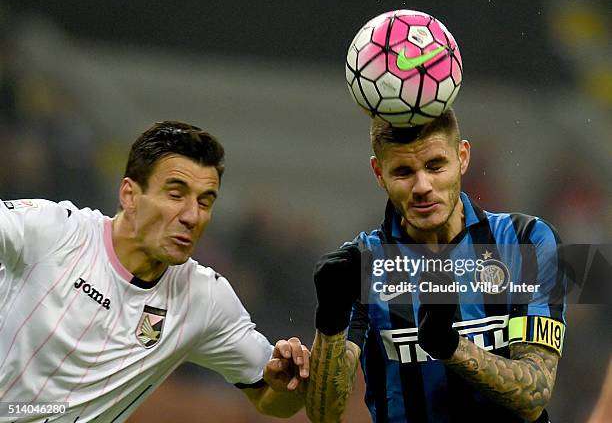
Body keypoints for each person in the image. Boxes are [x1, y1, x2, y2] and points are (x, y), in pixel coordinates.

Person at [0, 121, 309, 422]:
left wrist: (288, 382)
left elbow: (273, 402)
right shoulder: (54, 231)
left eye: (205, 202)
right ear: (129, 195)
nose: (192, 216)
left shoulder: (204, 298)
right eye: (176, 194)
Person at [306, 109, 566, 422]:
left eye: (435, 166)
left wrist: (449, 346)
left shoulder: (527, 241)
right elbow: (324, 412)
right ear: (379, 173)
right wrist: (330, 323)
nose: (422, 186)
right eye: (403, 171)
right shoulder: (362, 264)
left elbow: (535, 394)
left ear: (463, 157)